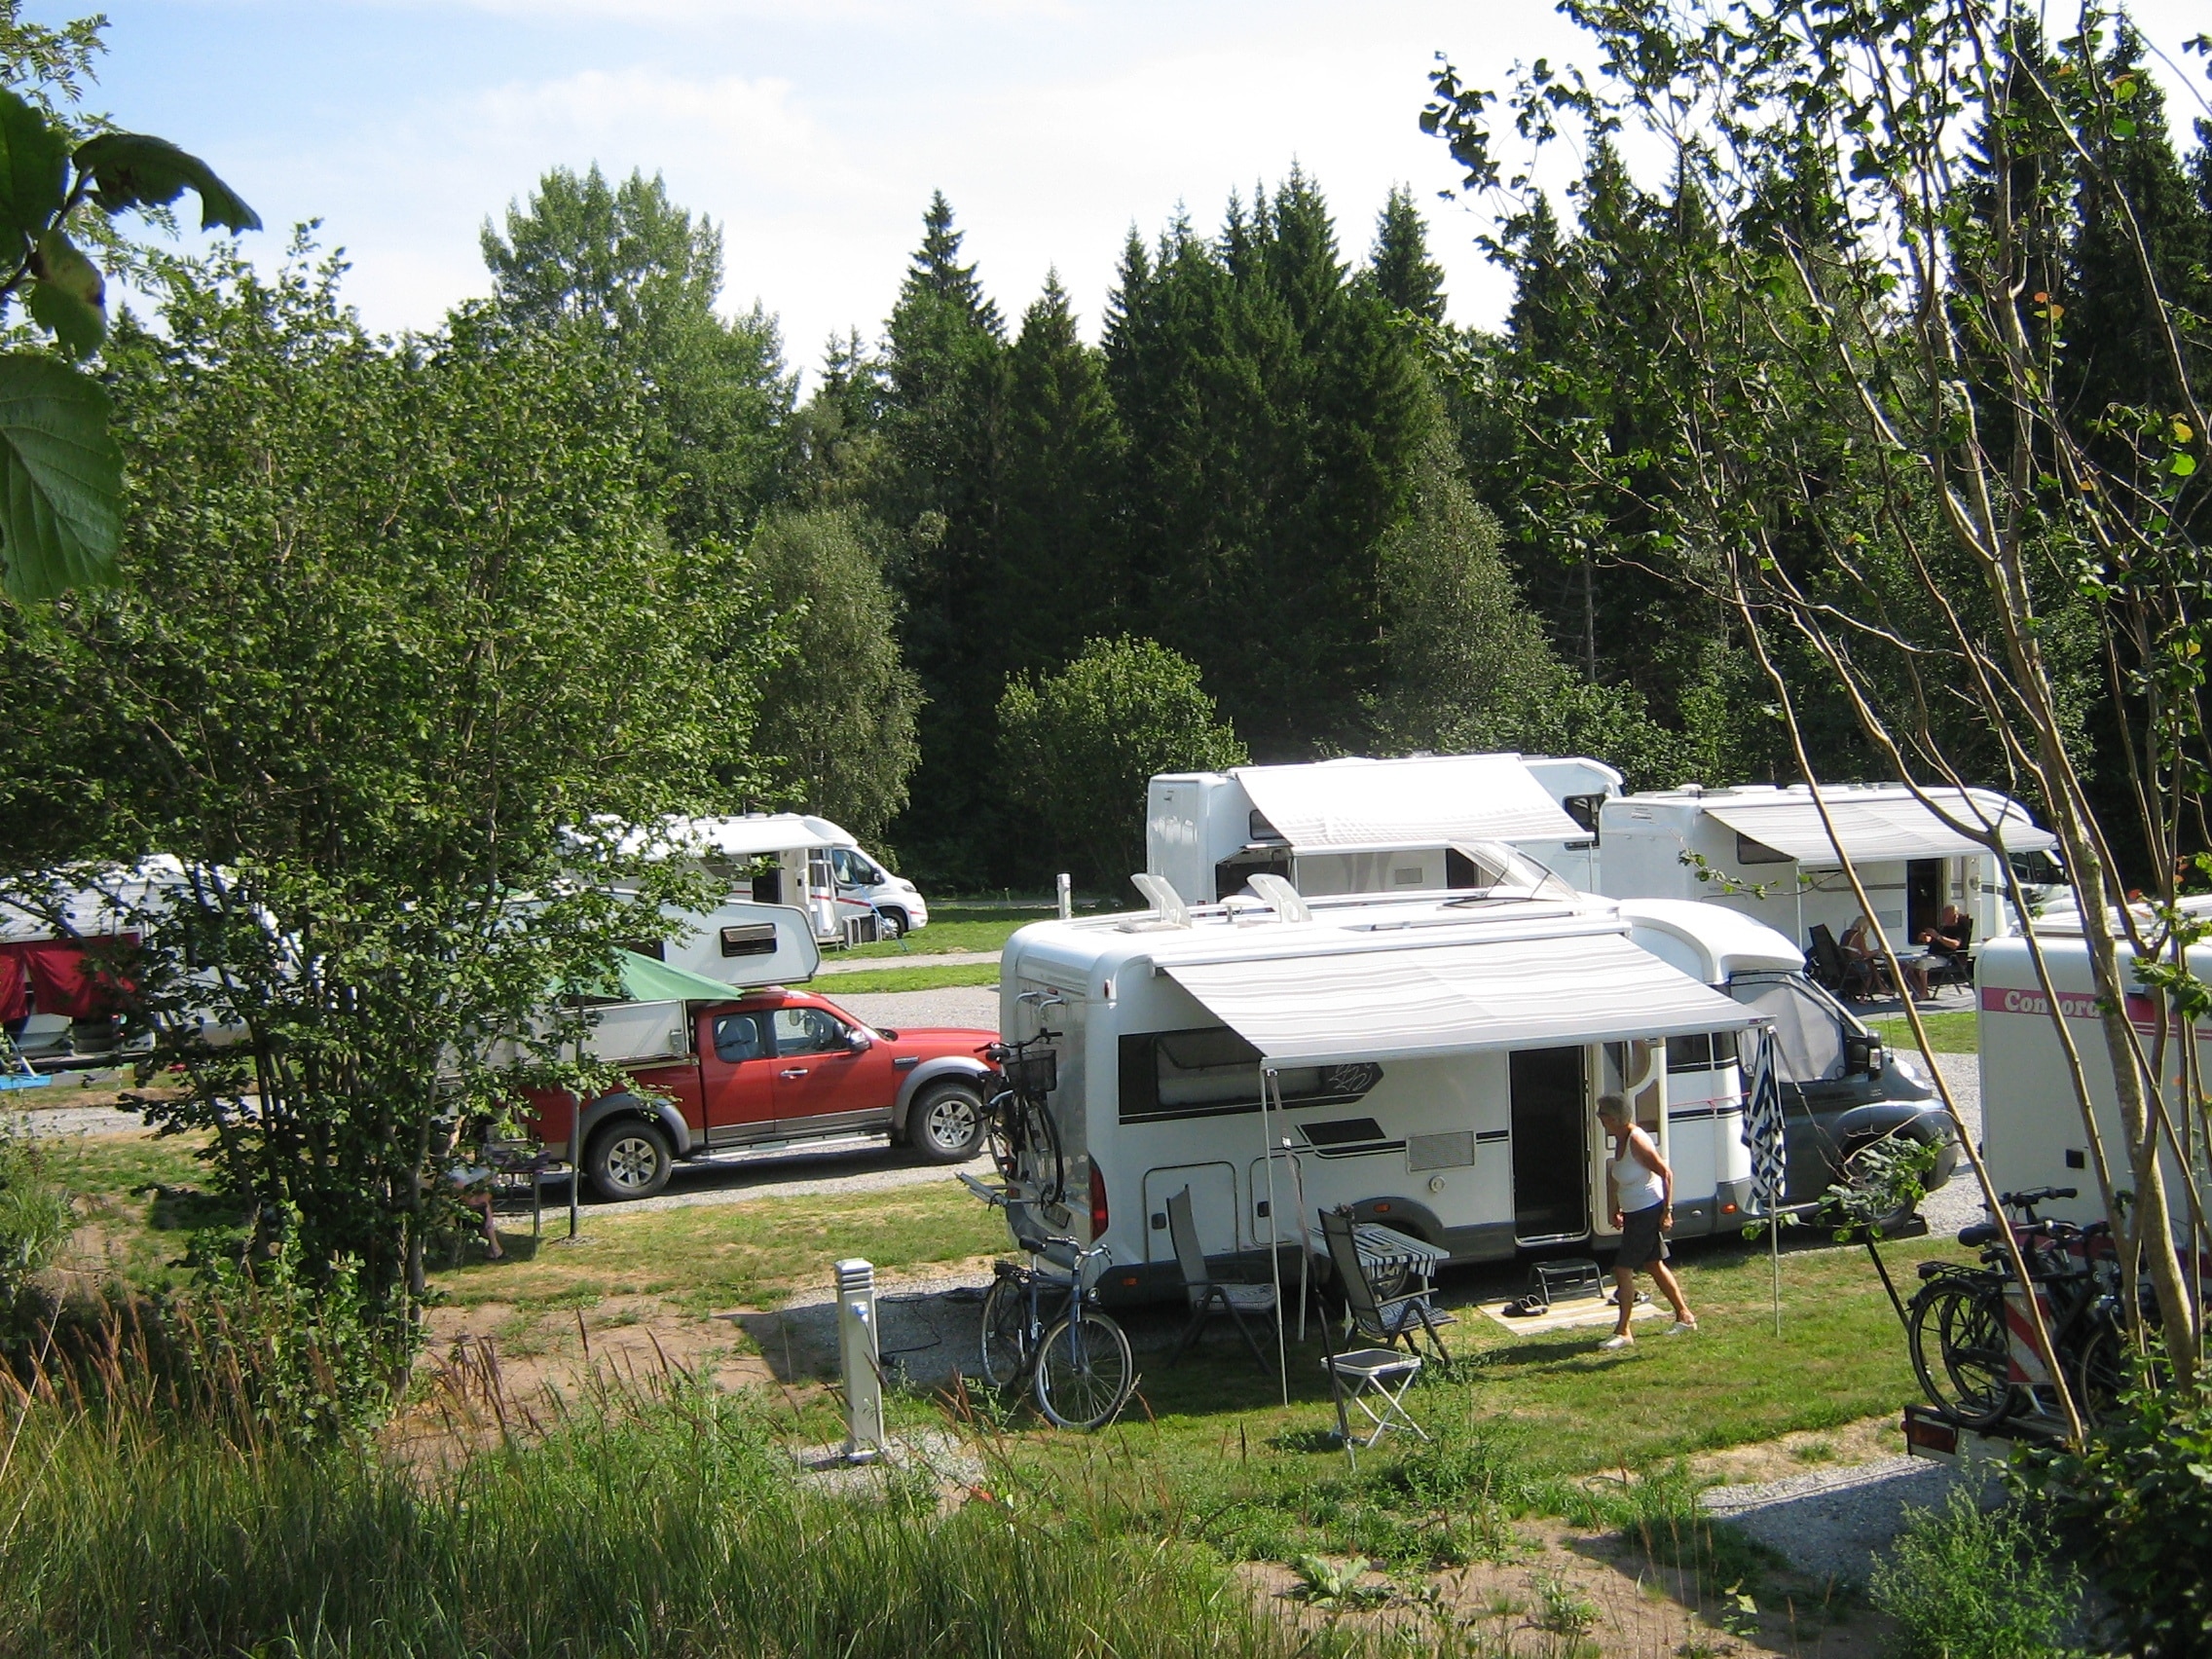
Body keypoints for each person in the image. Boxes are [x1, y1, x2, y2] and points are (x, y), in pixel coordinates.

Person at [1597, 1094, 1695, 1348]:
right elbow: (1619, 1178)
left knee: (1622, 1269)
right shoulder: (1620, 1140)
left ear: (1615, 1117)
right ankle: (1685, 1316)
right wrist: (1616, 1208)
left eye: (1602, 1114)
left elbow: (1665, 1173)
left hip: (1647, 1211)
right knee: (1654, 1265)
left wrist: (1667, 1211)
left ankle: (1623, 1331)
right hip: (1633, 1212)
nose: (1599, 1119)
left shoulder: (1637, 1140)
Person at [1908, 903, 1970, 1001]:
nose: (1943, 917)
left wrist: (1937, 936)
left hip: (1949, 958)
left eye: (1946, 914)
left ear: (1955, 915)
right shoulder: (1943, 927)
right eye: (1943, 914)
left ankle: (1923, 992)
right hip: (1934, 955)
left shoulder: (1960, 928)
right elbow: (1932, 939)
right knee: (1909, 964)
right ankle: (1919, 989)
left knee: (1923, 963)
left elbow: (1955, 945)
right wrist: (1926, 937)